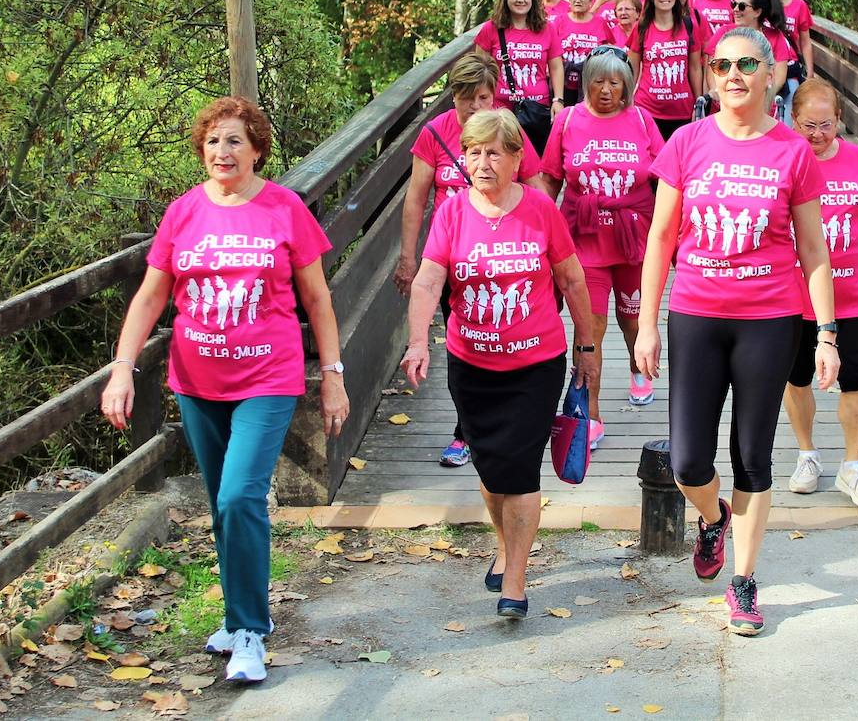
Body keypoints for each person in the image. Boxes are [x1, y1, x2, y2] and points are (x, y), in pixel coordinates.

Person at [101, 97, 349, 682]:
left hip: (268, 376)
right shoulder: (183, 212)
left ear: (256, 149)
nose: (223, 151)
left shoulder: (284, 208)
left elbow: (317, 298)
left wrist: (333, 376)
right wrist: (122, 367)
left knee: (240, 497)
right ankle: (238, 614)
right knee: (222, 504)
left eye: (235, 140)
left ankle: (249, 630)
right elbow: (151, 296)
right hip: (196, 381)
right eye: (213, 141)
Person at [634, 27, 840, 636]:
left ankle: (745, 584)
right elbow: (661, 238)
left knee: (753, 457)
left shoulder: (792, 151)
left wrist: (827, 334)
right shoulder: (686, 141)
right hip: (697, 313)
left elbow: (814, 249)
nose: (732, 75)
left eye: (747, 64)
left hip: (769, 319)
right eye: (722, 64)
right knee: (688, 463)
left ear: (771, 75)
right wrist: (646, 324)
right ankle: (712, 517)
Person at [401, 111, 598, 620]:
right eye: (473, 153)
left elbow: (572, 279)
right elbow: (429, 280)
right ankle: (505, 545)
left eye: (494, 153)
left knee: (521, 469)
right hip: (471, 365)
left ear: (515, 159)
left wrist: (587, 346)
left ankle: (515, 581)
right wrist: (418, 342)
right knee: (491, 471)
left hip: (535, 363)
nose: (483, 163)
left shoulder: (540, 209)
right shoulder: (452, 213)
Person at [395, 52, 546, 467]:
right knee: (462, 344)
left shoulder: (508, 131)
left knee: (505, 338)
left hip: (508, 256)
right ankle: (466, 431)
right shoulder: (434, 133)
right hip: (454, 261)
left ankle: (511, 418)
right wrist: (408, 258)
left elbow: (536, 187)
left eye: (483, 97)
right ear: (453, 96)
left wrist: (546, 249)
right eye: (467, 98)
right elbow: (415, 199)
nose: (476, 107)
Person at [784, 79, 858, 508]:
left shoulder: (857, 160)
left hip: (849, 293)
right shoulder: (784, 158)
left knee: (855, 377)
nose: (817, 134)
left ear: (839, 121)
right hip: (793, 293)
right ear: (793, 120)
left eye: (826, 125)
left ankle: (852, 467)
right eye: (808, 125)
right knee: (796, 377)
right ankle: (807, 454)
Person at [541, 47, 665, 440]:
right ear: (585, 84)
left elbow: (665, 178)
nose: (607, 90)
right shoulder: (568, 121)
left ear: (626, 85)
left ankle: (636, 365)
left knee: (632, 319)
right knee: (588, 327)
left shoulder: (642, 120)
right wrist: (536, 229)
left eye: (615, 82)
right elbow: (550, 180)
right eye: (598, 81)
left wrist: (674, 229)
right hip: (584, 238)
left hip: (633, 239)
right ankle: (590, 413)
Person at [474, 0, 565, 151]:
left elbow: (556, 67)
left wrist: (558, 100)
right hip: (499, 109)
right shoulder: (491, 28)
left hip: (536, 110)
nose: (520, 0)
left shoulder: (547, 28)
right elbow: (478, 69)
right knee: (501, 155)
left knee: (535, 158)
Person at [628, 0, 705, 142]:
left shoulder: (689, 25)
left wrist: (698, 103)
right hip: (647, 109)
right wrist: (627, 102)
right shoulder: (641, 28)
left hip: (682, 110)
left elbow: (695, 68)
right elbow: (632, 69)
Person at [704, 0, 796, 98]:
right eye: (734, 4)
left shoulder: (775, 37)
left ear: (757, 12)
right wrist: (718, 93)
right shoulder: (723, 32)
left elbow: (779, 77)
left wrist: (760, 99)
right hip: (727, 99)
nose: (735, 9)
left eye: (742, 6)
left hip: (762, 101)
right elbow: (711, 69)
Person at [553, 0, 616, 106]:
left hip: (590, 85)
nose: (578, 0)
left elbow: (610, 49)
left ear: (591, 0)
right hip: (563, 85)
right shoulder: (559, 21)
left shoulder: (600, 22)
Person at [762, 0, 814, 82]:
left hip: (790, 66)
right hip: (764, 67)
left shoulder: (799, 5)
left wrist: (810, 73)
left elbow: (805, 42)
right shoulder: (760, 4)